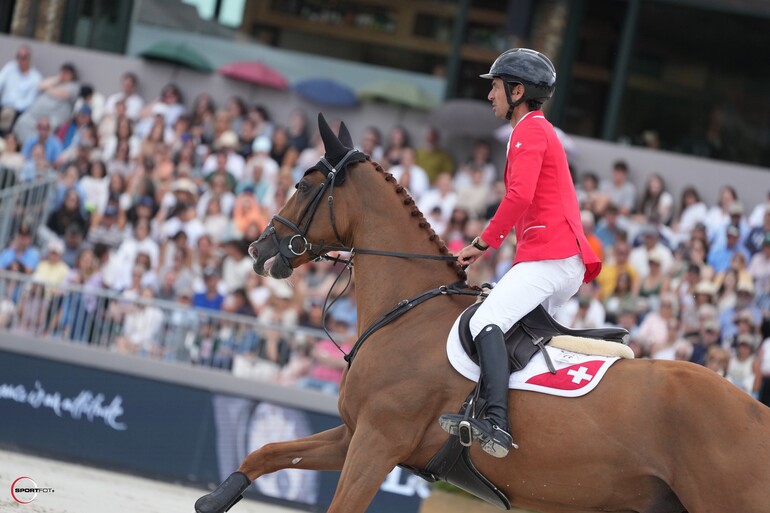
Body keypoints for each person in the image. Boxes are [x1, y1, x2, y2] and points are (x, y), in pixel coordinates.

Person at [438, 48, 601, 458]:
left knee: (488, 320)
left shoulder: (528, 130)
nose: (489, 95)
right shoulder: (533, 130)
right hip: (558, 258)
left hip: (551, 256)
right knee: (516, 339)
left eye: (494, 87)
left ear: (516, 91)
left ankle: (495, 421)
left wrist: (481, 243)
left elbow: (518, 196)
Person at [0, 45, 42, 135]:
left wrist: (12, 105)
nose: (19, 61)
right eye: (18, 57)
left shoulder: (35, 77)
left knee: (8, 113)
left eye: (23, 58)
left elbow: (30, 102)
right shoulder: (10, 68)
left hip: (18, 111)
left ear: (29, 59)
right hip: (3, 105)